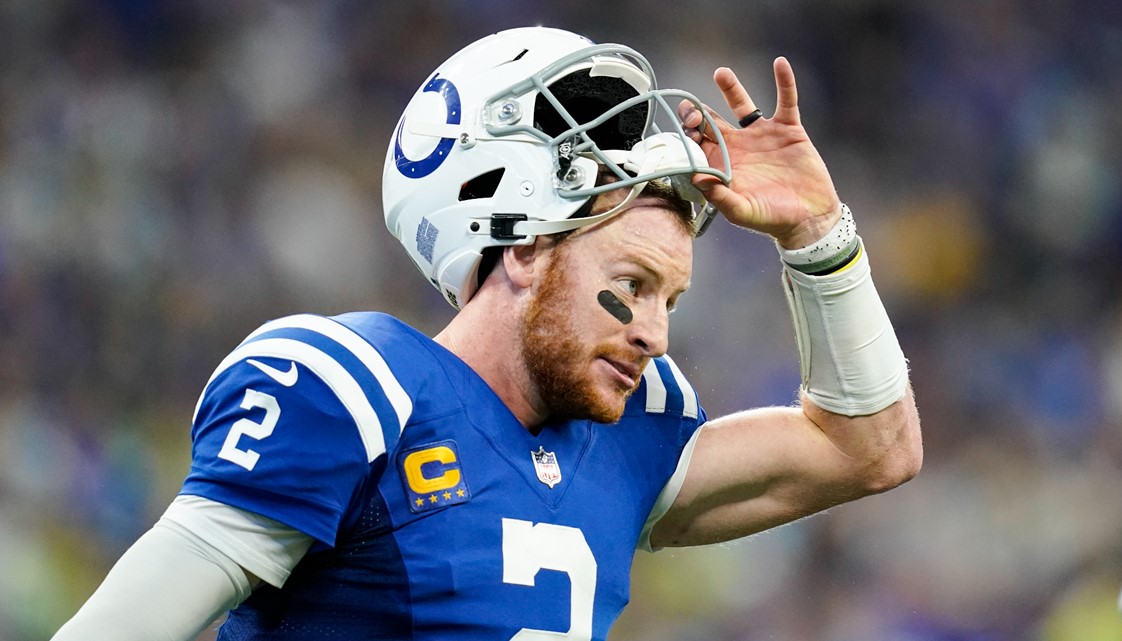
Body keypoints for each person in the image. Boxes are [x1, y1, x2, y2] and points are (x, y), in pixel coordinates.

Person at [51, 26, 921, 640]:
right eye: (632, 286)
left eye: (672, 300)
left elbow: (871, 448)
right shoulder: (357, 389)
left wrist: (819, 238)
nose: (655, 332)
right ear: (526, 248)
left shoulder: (628, 440)